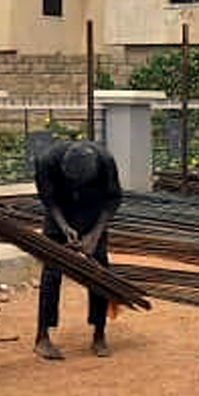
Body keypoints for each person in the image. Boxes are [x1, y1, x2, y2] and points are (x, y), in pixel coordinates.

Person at [32, 139, 123, 361]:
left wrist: (94, 235)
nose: (76, 187)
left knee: (99, 273)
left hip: (93, 216)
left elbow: (113, 199)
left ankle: (99, 334)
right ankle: (42, 337)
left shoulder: (105, 160)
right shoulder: (46, 162)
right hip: (59, 215)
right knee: (51, 274)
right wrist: (64, 228)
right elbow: (49, 200)